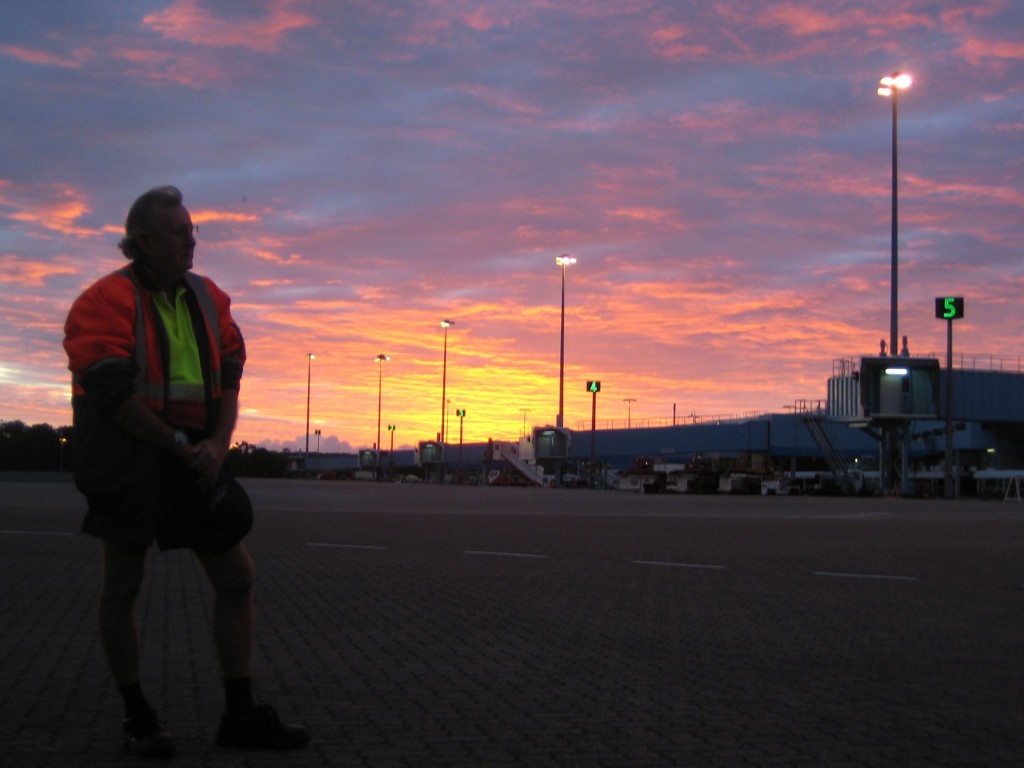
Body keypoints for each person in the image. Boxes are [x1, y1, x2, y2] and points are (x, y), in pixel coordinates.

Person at [63, 186, 309, 758]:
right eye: (179, 232)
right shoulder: (103, 301)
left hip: (194, 452)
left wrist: (219, 446)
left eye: (193, 230)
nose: (190, 240)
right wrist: (179, 444)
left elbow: (229, 377)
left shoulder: (209, 298)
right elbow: (113, 397)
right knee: (123, 583)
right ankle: (139, 718)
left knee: (237, 578)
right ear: (143, 240)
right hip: (128, 457)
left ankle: (240, 715)